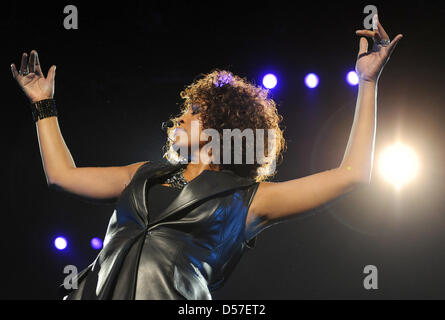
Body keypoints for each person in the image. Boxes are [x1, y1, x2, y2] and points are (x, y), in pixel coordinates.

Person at [10, 14, 402, 299]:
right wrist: (44, 104)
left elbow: (352, 175)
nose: (181, 116)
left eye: (194, 111)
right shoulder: (142, 174)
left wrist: (367, 83)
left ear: (222, 127)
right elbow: (62, 175)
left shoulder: (249, 201)